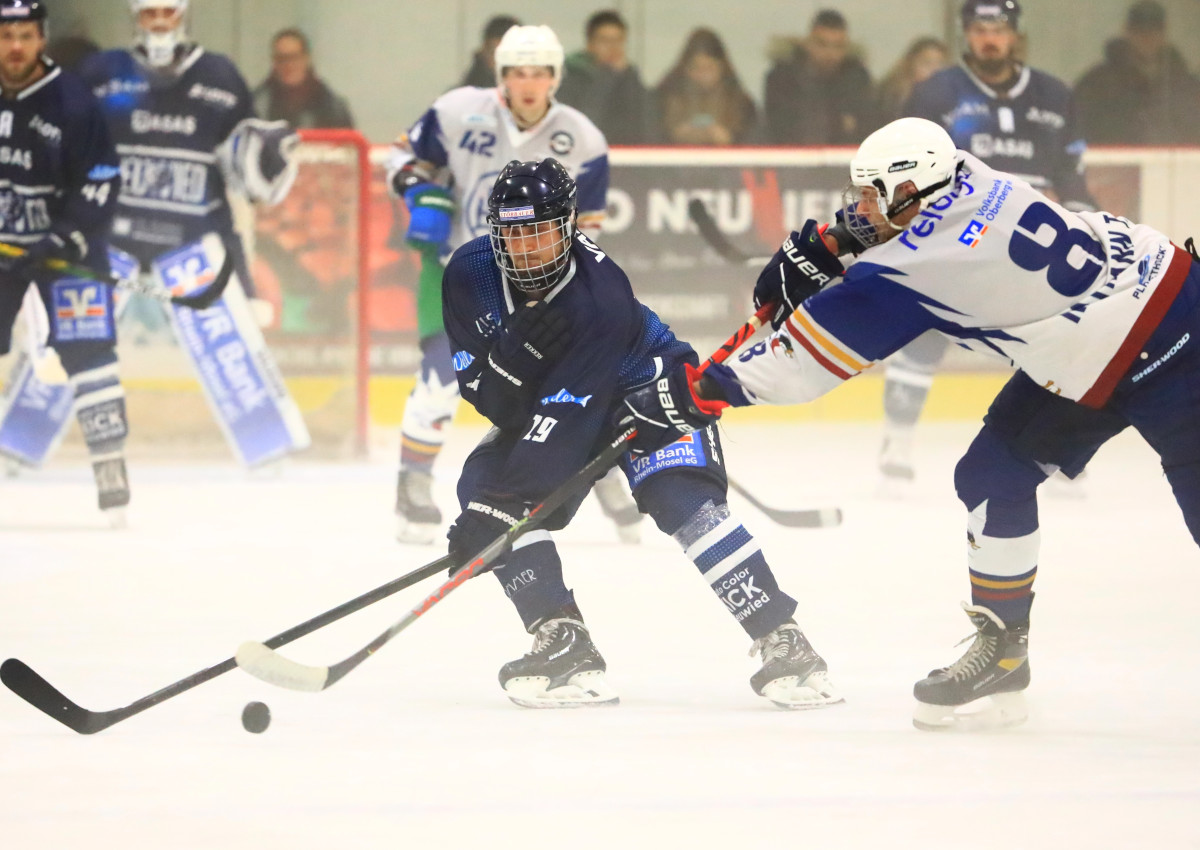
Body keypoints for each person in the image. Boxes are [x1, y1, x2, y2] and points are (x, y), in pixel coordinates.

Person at [625, 115, 1200, 730]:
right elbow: (902, 236)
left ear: (910, 191)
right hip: (1106, 335)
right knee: (992, 474)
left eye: (873, 195)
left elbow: (802, 362)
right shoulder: (968, 173)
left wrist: (705, 391)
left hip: (1176, 338)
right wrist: (831, 242)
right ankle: (1004, 652)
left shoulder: (920, 264)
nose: (863, 207)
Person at [442, 157, 842, 709]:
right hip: (563, 405)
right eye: (511, 235)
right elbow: (486, 396)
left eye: (538, 233)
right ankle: (564, 640)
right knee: (482, 484)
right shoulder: (468, 274)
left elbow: (567, 418)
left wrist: (503, 509)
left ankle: (783, 638)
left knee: (678, 497)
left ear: (568, 227)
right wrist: (513, 367)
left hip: (648, 389)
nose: (525, 249)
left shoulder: (600, 292)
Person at [386, 24, 642, 545]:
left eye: (541, 73)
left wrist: (571, 290)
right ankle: (411, 483)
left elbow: (586, 226)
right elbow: (402, 158)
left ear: (556, 76)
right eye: (518, 73)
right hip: (460, 268)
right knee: (441, 373)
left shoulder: (584, 138)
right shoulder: (459, 111)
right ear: (501, 75)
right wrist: (421, 194)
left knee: (572, 384)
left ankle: (606, 476)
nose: (529, 83)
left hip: (542, 281)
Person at [880, 0, 1096, 488]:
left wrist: (1087, 230)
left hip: (1033, 246)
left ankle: (1060, 450)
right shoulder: (934, 94)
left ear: (1015, 33)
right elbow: (911, 173)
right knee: (924, 329)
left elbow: (1074, 182)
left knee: (1056, 343)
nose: (989, 38)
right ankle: (896, 442)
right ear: (966, 34)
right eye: (979, 28)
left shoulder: (1055, 95)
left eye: (998, 27)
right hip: (962, 236)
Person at [0, 0, 127, 521]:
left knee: (90, 352)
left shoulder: (72, 101)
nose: (14, 47)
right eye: (6, 35)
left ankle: (110, 466)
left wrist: (62, 237)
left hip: (64, 252)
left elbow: (102, 180)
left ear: (41, 39)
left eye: (25, 35)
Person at [1074, 0, 1200, 145]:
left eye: (1154, 30)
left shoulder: (1185, 86)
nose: (1147, 37)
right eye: (1139, 31)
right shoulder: (1097, 84)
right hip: (1113, 165)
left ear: (1164, 33)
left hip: (1175, 166)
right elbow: (1076, 128)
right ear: (1126, 31)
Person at [763, 9, 876, 145]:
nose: (830, 53)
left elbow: (866, 127)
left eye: (838, 46)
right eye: (822, 44)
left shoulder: (858, 81)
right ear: (808, 43)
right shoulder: (782, 79)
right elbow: (780, 127)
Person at [555, 9, 653, 145]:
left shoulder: (630, 76)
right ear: (590, 44)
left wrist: (629, 78)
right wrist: (607, 76)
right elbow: (587, 121)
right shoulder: (572, 77)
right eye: (605, 41)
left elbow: (646, 122)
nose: (613, 47)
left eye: (618, 40)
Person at [654, 28, 757, 146]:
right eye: (696, 68)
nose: (702, 75)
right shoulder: (662, 101)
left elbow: (753, 147)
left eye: (709, 68)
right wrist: (676, 136)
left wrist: (728, 139)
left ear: (722, 69)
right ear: (685, 69)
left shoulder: (743, 105)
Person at [253, 28, 354, 130]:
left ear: (306, 59)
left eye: (293, 57)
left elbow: (347, 143)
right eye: (281, 58)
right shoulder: (258, 105)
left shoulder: (332, 107)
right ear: (274, 62)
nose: (288, 65)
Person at [875, 36, 949, 126]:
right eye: (927, 63)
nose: (935, 70)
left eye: (940, 64)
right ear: (910, 65)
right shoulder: (891, 97)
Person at [458, 15, 520, 89]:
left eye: (508, 55)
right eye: (494, 54)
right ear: (484, 52)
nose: (499, 62)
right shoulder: (465, 95)